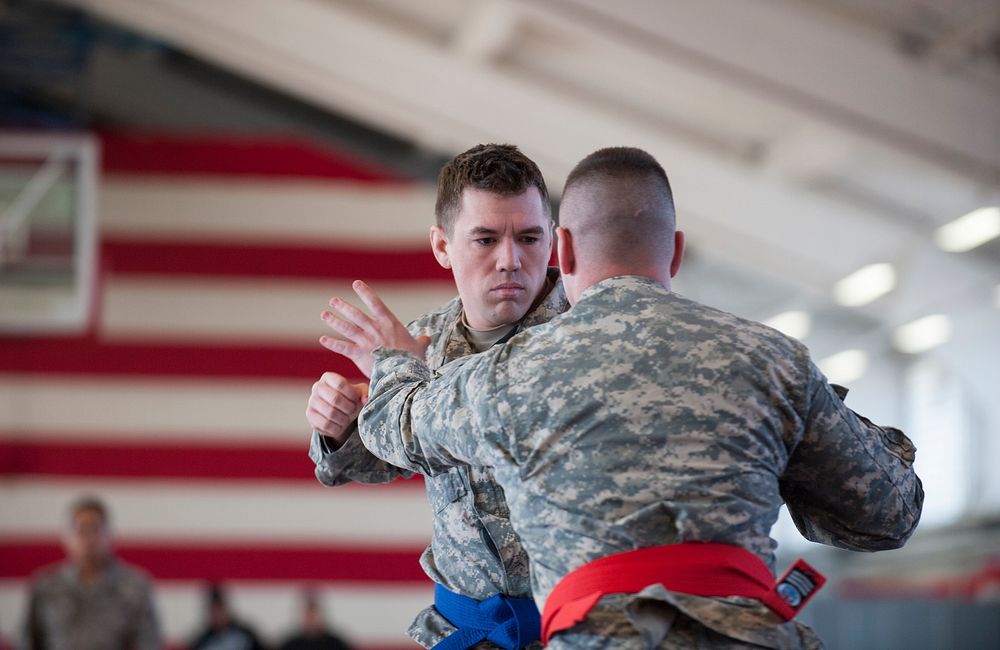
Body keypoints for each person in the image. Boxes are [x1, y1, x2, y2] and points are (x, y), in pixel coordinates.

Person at [354, 147, 925, 648]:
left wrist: (398, 362)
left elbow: (396, 427)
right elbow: (887, 515)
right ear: (675, 251)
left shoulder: (512, 372)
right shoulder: (772, 360)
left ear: (563, 249)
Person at [305, 144, 569, 649]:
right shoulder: (422, 341)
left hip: (574, 631)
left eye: (530, 237)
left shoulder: (584, 336)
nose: (510, 260)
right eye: (486, 239)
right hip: (465, 631)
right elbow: (373, 463)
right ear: (442, 246)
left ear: (553, 240)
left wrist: (402, 382)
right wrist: (338, 427)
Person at [22, 495, 161, 650]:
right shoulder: (46, 586)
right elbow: (28, 641)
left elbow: (148, 643)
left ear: (109, 534)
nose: (89, 539)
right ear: (66, 536)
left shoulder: (135, 586)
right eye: (80, 530)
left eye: (95, 529)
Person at [189, 584, 267, 650]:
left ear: (226, 610)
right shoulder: (203, 641)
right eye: (213, 611)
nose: (217, 616)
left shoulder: (245, 634)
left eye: (219, 610)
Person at [277, 589, 353, 650]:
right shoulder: (291, 645)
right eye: (308, 615)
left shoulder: (335, 644)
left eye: (314, 614)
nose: (311, 619)